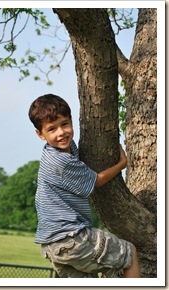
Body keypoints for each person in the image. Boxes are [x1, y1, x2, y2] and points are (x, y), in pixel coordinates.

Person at [28, 93, 141, 278]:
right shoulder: (59, 161)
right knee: (128, 252)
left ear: (71, 120)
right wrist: (122, 164)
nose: (61, 133)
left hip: (52, 246)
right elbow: (96, 181)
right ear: (40, 134)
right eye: (52, 129)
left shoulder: (60, 150)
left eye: (64, 124)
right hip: (71, 238)